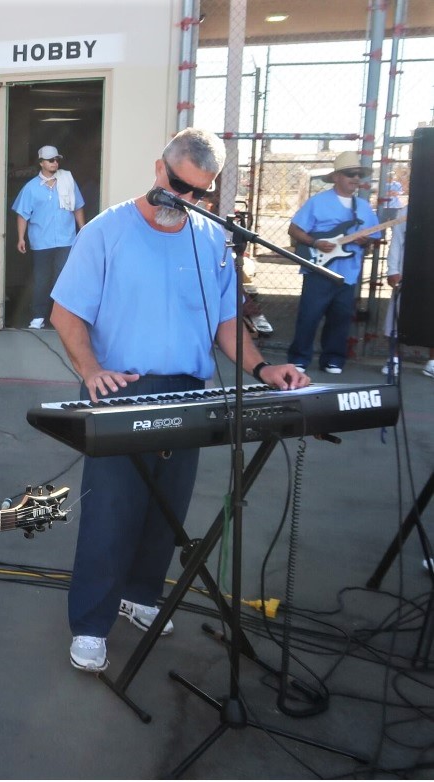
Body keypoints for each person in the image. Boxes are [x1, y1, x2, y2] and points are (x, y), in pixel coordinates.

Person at [49, 128, 309, 673]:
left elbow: (225, 322)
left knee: (167, 509)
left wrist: (264, 368)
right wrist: (91, 370)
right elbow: (66, 313)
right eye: (178, 186)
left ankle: (140, 597)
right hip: (120, 392)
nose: (185, 201)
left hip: (188, 392)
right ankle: (91, 625)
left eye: (199, 193)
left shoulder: (211, 239)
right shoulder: (105, 232)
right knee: (111, 514)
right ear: (158, 168)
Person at [286, 151, 383, 374]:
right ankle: (299, 358)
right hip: (319, 268)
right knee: (309, 315)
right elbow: (294, 229)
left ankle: (333, 359)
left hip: (348, 271)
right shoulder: (317, 202)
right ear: (337, 176)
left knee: (340, 317)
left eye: (359, 175)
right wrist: (315, 242)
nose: (356, 178)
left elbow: (371, 241)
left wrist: (364, 240)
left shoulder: (364, 207)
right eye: (351, 174)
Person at [11, 144, 86, 329]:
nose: (55, 163)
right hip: (41, 241)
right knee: (41, 278)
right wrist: (21, 238)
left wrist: (83, 230)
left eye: (57, 159)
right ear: (41, 163)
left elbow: (77, 206)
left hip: (66, 239)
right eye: (51, 160)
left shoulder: (67, 181)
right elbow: (22, 214)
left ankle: (62, 316)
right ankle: (38, 316)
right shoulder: (31, 188)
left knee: (64, 277)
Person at [380, 207, 434, 377]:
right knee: (398, 313)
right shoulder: (406, 211)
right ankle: (393, 359)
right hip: (407, 271)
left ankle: (432, 362)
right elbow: (396, 242)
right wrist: (392, 270)